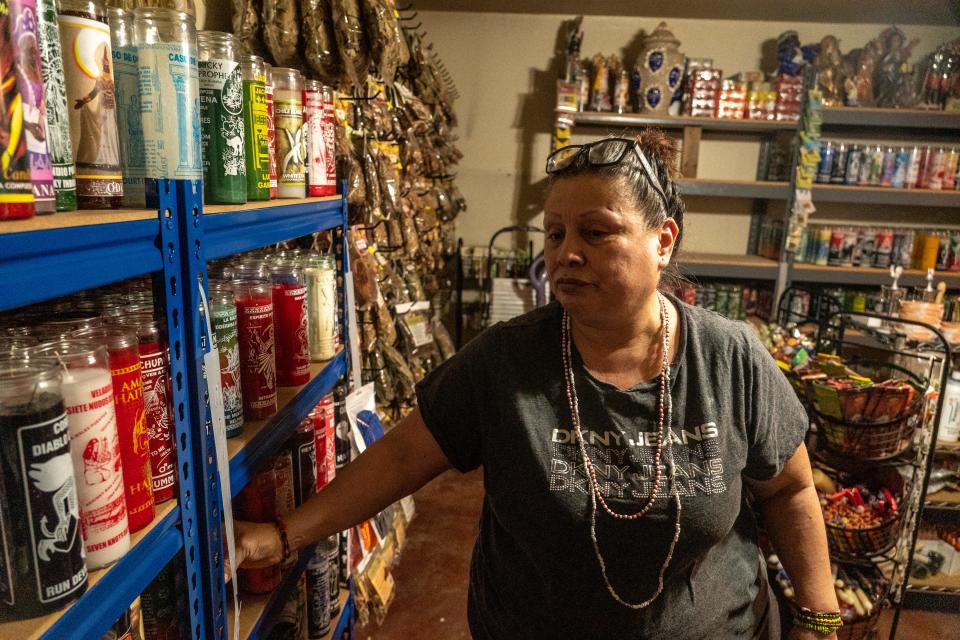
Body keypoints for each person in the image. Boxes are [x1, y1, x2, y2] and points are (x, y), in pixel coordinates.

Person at [233, 132, 840, 639]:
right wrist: (285, 536)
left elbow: (789, 491)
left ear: (663, 242)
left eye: (595, 232)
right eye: (554, 234)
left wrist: (820, 620)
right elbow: (402, 456)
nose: (565, 254)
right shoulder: (506, 359)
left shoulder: (729, 357)